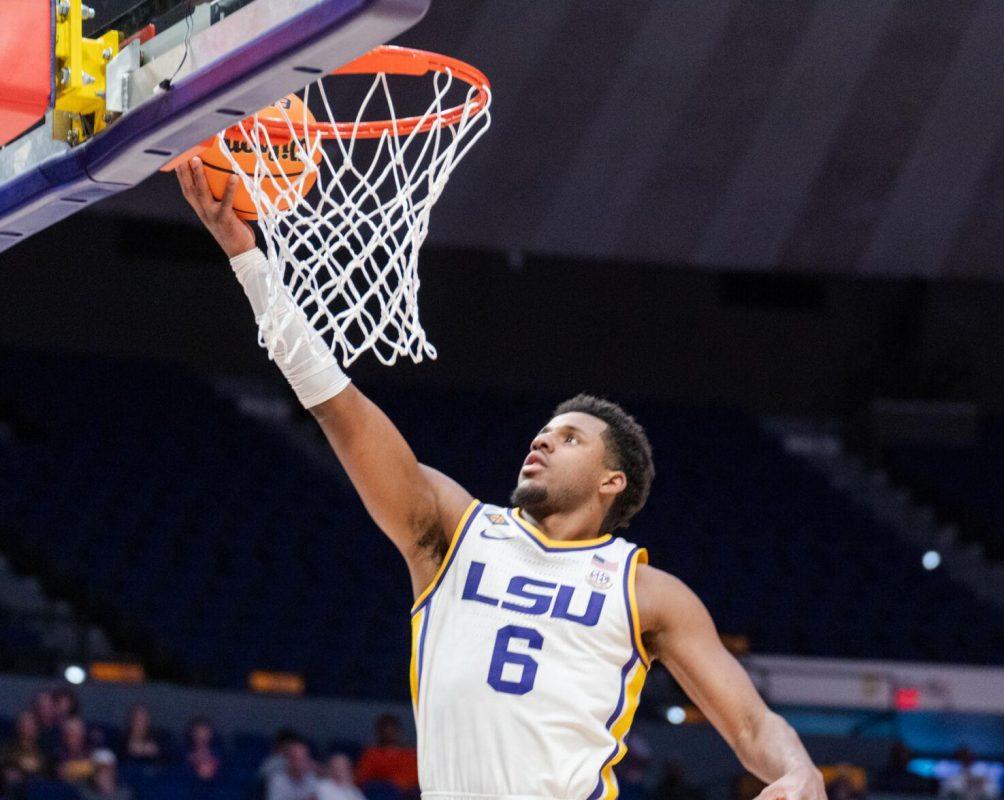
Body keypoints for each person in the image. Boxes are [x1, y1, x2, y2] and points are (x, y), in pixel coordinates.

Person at [176, 162, 827, 800]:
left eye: (570, 437)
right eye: (545, 429)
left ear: (611, 483)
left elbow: (751, 724)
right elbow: (336, 408)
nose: (542, 439)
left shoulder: (648, 593)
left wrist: (799, 772)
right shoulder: (454, 532)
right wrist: (247, 262)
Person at [353, 716, 416, 792]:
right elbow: (360, 779)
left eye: (393, 730)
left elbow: (418, 780)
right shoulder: (372, 755)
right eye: (385, 730)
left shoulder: (410, 755)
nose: (389, 733)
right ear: (379, 733)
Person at [0, 711, 46, 778]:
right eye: (23, 724)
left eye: (30, 724)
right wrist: (18, 763)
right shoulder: (7, 747)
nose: (26, 728)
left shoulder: (44, 748)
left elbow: (48, 768)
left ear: (37, 727)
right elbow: (3, 761)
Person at [55, 716, 94, 785]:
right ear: (65, 736)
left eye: (79, 734)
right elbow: (62, 772)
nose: (77, 738)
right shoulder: (57, 755)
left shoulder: (92, 752)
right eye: (72, 734)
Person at [184, 717, 220, 782]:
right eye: (199, 733)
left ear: (211, 734)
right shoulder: (183, 757)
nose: (202, 737)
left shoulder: (220, 756)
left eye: (206, 733)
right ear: (192, 734)